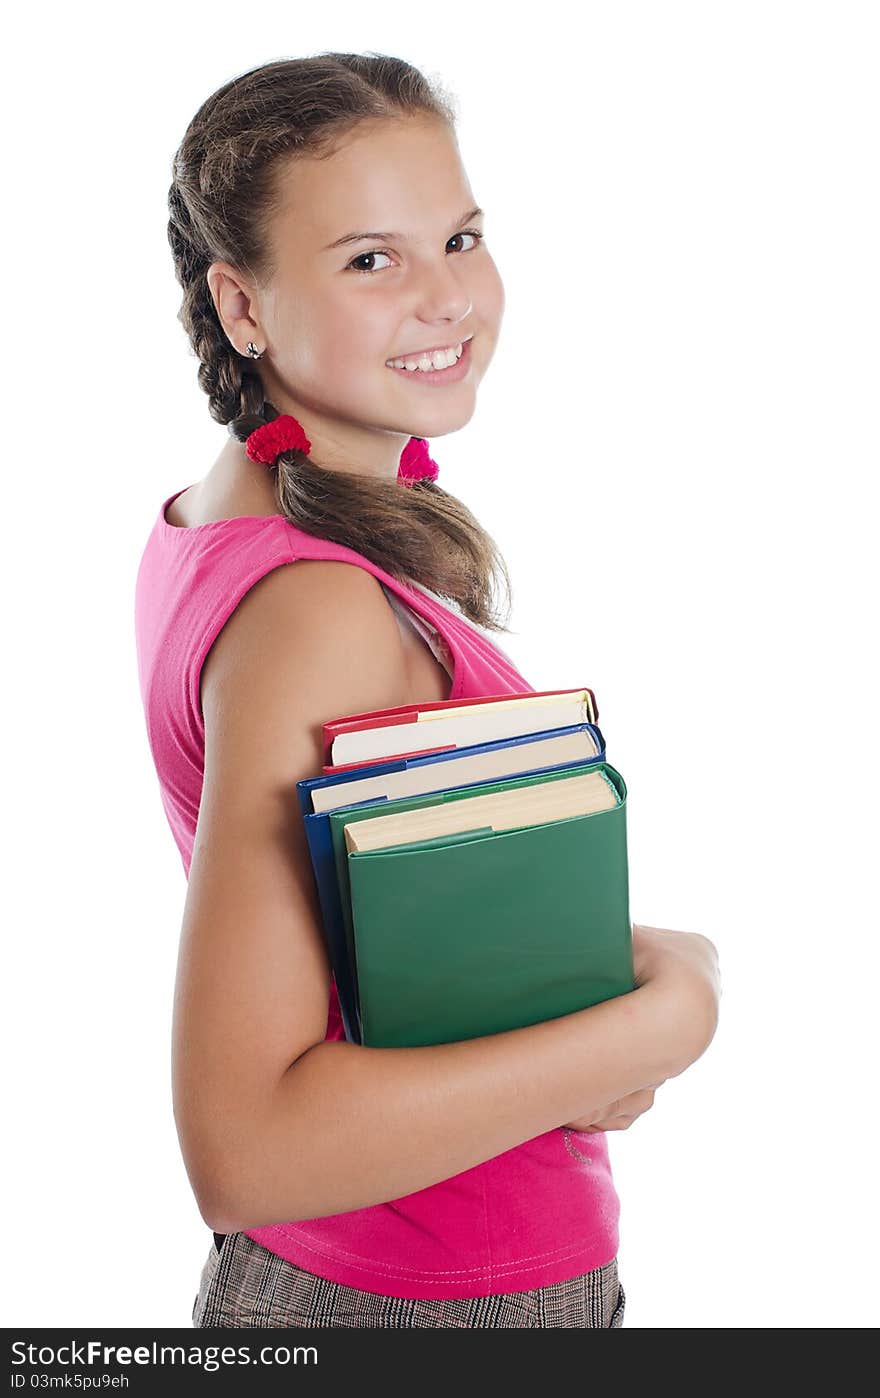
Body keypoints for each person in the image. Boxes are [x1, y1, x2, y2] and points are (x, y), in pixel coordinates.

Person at [134, 52, 721, 1330]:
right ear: (242, 305)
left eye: (457, 236)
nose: (447, 298)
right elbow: (249, 1149)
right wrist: (663, 1016)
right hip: (417, 1303)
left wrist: (602, 992)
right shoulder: (312, 609)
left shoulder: (221, 521)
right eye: (369, 260)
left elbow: (383, 949)